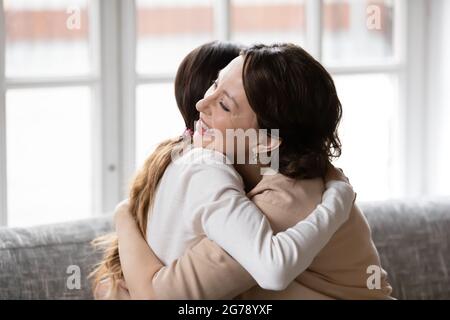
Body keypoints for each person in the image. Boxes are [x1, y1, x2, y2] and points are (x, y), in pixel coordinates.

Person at [92, 42, 364, 300]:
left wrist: (124, 216)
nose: (200, 104)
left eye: (224, 105)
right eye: (214, 83)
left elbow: (156, 296)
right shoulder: (220, 161)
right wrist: (125, 213)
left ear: (267, 140)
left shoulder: (283, 202)